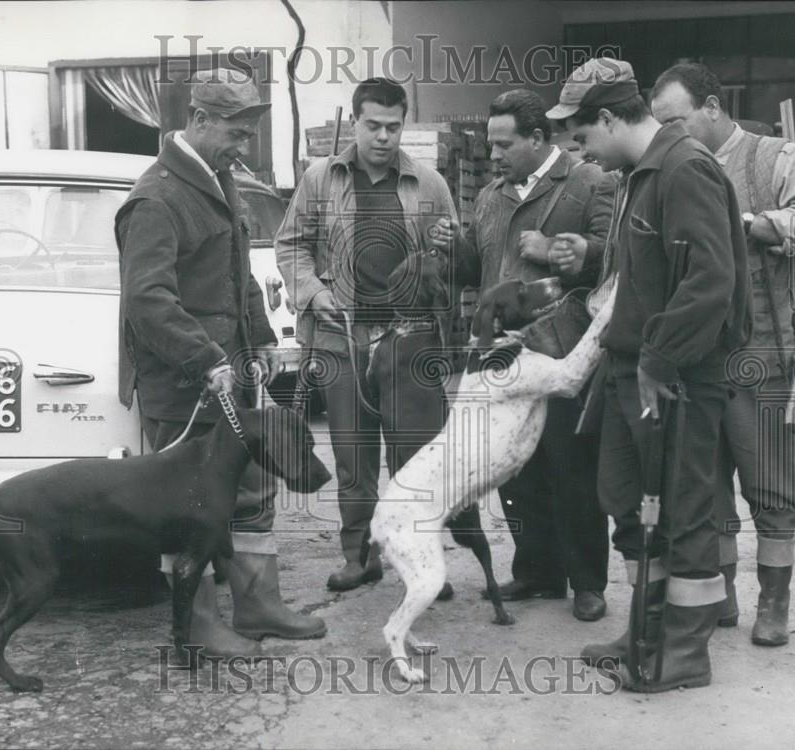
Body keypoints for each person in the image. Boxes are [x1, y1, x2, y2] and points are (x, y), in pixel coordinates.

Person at [548, 57, 751, 692]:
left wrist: (659, 361)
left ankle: (683, 654)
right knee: (630, 503)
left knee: (686, 513)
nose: (583, 152)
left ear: (609, 118)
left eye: (583, 138)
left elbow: (710, 282)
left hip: (677, 375)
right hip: (632, 370)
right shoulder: (639, 174)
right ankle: (647, 627)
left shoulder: (684, 168)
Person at [116, 69, 326, 659]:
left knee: (250, 486)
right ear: (200, 120)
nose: (242, 147)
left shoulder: (216, 178)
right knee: (189, 507)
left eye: (248, 134)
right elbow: (148, 300)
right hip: (185, 383)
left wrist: (257, 335)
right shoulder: (156, 197)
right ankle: (200, 623)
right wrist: (206, 357)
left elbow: (236, 270)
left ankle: (257, 605)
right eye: (235, 133)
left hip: (229, 375)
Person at [651, 62, 795, 647]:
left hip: (761, 356)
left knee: (772, 486)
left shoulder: (775, 157)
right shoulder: (673, 168)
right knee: (705, 487)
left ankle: (774, 603)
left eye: (676, 120)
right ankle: (720, 595)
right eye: (661, 125)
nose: (669, 134)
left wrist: (756, 224)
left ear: (711, 106)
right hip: (696, 360)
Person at [431, 89, 614, 621]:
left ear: (538, 139)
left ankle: (587, 583)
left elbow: (610, 257)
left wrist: (562, 250)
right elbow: (479, 271)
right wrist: (454, 248)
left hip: (559, 352)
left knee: (570, 466)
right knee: (517, 469)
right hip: (502, 360)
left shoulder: (588, 182)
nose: (494, 154)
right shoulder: (491, 196)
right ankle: (537, 572)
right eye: (491, 145)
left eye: (504, 144)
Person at [275, 78, 459, 591]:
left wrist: (447, 245)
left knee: (414, 461)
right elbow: (290, 245)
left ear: (403, 124)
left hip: (407, 340)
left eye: (393, 126)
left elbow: (454, 271)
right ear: (355, 121)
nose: (383, 136)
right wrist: (313, 292)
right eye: (373, 125)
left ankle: (422, 563)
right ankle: (361, 558)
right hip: (342, 340)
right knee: (354, 460)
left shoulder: (430, 185)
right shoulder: (320, 179)